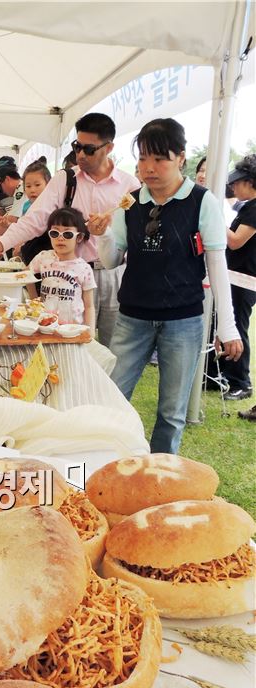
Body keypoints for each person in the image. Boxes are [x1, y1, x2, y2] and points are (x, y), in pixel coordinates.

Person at [88, 118, 242, 454]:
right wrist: (101, 234)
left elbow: (217, 264)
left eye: (160, 159)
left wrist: (228, 327)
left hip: (183, 320)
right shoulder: (129, 203)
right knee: (111, 396)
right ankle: (105, 461)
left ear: (181, 158)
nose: (149, 168)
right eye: (143, 158)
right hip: (132, 316)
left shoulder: (202, 202)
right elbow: (113, 260)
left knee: (172, 413)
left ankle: (160, 474)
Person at [0, 113, 139, 347]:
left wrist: (107, 234)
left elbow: (134, 237)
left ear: (109, 147)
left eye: (89, 149)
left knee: (112, 348)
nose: (80, 155)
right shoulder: (66, 179)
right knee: (67, 342)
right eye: (77, 147)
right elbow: (35, 219)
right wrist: (2, 243)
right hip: (70, 276)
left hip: (114, 275)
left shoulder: (129, 186)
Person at [220, 155, 256, 401]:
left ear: (251, 182)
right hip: (234, 276)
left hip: (245, 279)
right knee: (225, 325)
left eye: (237, 182)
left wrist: (214, 220)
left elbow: (235, 241)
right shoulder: (247, 207)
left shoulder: (254, 209)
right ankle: (223, 374)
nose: (233, 187)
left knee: (237, 329)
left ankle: (241, 381)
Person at [29, 208, 96, 335]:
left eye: (67, 234)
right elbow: (26, 274)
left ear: (79, 237)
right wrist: (34, 300)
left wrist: (90, 333)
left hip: (72, 330)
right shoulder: (44, 257)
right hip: (45, 327)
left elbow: (89, 306)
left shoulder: (84, 268)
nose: (60, 238)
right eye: (55, 233)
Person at [15, 159, 53, 265]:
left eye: (37, 185)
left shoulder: (52, 208)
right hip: (29, 260)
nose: (32, 190)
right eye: (28, 186)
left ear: (49, 185)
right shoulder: (26, 206)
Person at [0, 156, 25, 236]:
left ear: (7, 179)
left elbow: (12, 219)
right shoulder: (19, 189)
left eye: (1, 186)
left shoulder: (20, 189)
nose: (3, 191)